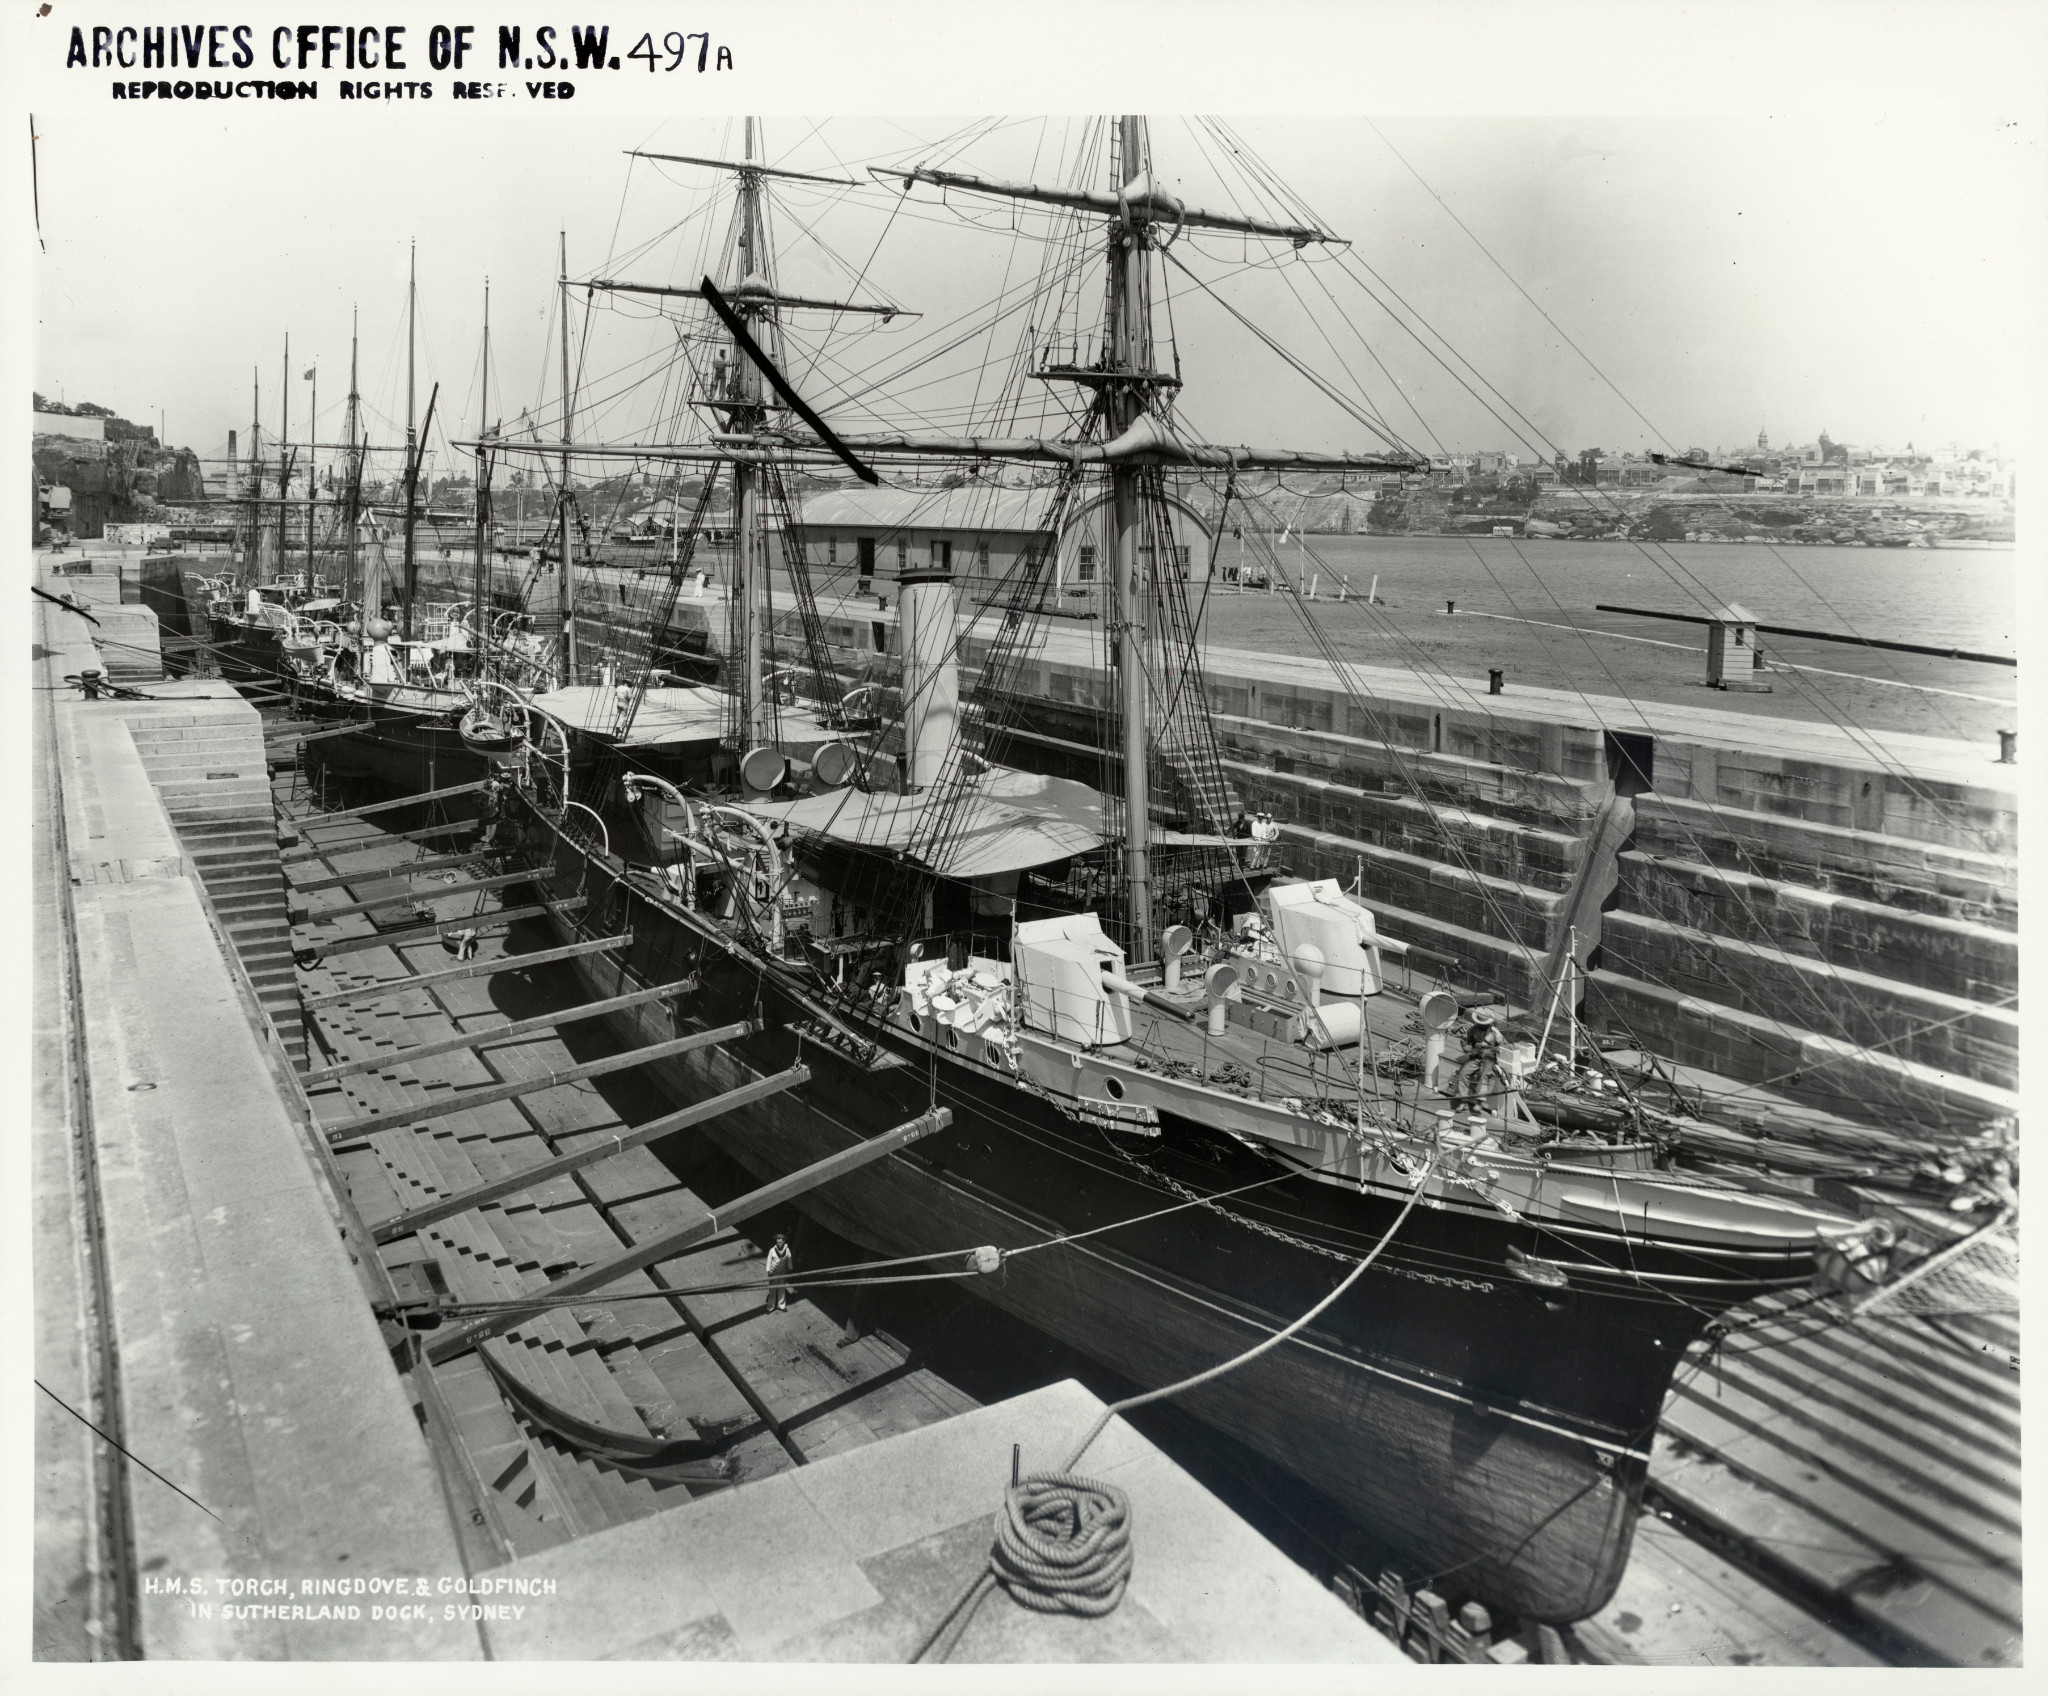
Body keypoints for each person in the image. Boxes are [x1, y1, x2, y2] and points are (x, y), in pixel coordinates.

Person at [1452, 1007, 1506, 1109]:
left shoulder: (1494, 1031)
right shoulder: (1472, 1030)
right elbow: (1464, 1041)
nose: (1483, 1025)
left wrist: (1493, 1048)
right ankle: (1463, 1100)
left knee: (1484, 1074)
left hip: (1489, 1059)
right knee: (1463, 1073)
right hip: (1476, 1057)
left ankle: (1479, 1102)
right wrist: (1470, 1050)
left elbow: (1503, 1045)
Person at [764, 1234, 793, 1313]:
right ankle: (770, 1307)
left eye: (780, 1242)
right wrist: (768, 1271)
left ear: (783, 1242)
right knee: (772, 1290)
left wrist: (790, 1269)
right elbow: (769, 1261)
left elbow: (789, 1260)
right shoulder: (772, 1250)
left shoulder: (787, 1250)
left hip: (783, 1273)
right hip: (774, 1273)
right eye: (777, 1242)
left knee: (781, 1289)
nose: (778, 1243)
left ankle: (781, 1305)